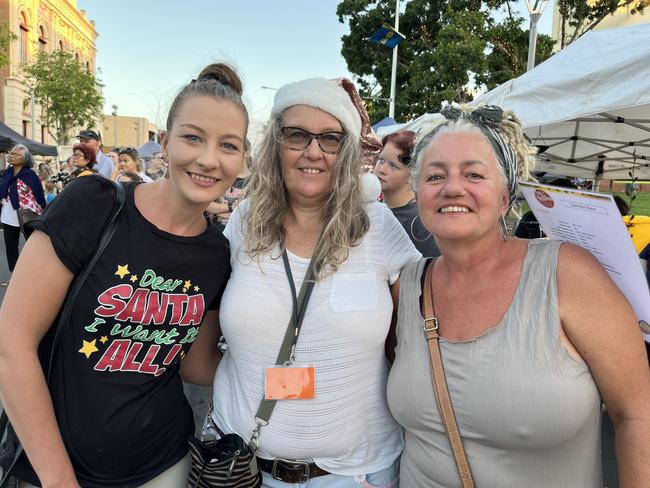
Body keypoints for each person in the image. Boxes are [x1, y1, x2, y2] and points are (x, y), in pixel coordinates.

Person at [0, 62, 248, 487]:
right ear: (165, 144)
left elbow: (196, 366)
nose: (209, 159)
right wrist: (59, 480)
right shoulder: (95, 203)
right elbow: (11, 343)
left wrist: (293, 361)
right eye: (193, 137)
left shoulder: (217, 254)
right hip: (56, 469)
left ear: (242, 158)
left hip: (165, 464)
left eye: (228, 145)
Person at [386, 104, 650, 487]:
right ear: (418, 192)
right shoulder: (407, 287)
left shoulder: (566, 273)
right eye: (435, 175)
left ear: (507, 194)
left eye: (474, 174)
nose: (452, 187)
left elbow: (637, 413)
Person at [199, 77, 420, 487]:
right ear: (275, 146)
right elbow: (201, 345)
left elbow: (417, 339)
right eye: (297, 135)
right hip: (244, 470)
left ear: (347, 149)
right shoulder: (245, 223)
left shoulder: (377, 226)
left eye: (330, 138)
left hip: (354, 473)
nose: (313, 151)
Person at [374, 130, 440, 257]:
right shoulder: (371, 211)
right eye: (381, 160)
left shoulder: (420, 223)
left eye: (393, 166)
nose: (381, 170)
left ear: (413, 173)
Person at [0, 144, 46, 286]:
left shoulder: (30, 175)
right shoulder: (7, 172)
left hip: (27, 215)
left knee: (32, 247)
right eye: (11, 154)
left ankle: (36, 276)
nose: (12, 156)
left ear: (25, 158)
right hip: (8, 215)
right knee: (10, 247)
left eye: (16, 154)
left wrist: (45, 211)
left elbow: (39, 194)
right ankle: (14, 277)